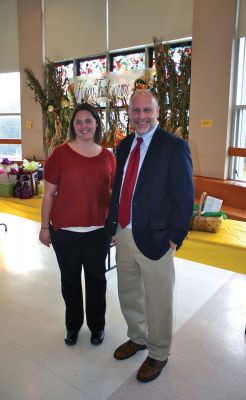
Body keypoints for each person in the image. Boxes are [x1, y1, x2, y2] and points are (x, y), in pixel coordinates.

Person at [106, 89, 194, 382]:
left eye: (147, 110)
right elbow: (119, 188)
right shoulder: (124, 144)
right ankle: (138, 337)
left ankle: (158, 352)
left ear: (158, 112)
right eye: (135, 110)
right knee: (128, 291)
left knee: (157, 299)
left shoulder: (174, 146)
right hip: (125, 232)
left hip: (156, 237)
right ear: (129, 113)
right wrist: (114, 226)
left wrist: (173, 238)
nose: (141, 116)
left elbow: (184, 198)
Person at [39, 103, 116, 346]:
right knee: (70, 282)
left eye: (89, 121)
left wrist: (114, 227)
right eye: (79, 121)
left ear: (96, 124)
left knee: (96, 281)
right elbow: (48, 195)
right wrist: (44, 227)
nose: (84, 126)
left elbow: (113, 195)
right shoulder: (60, 154)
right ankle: (72, 326)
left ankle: (97, 327)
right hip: (66, 233)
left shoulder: (107, 156)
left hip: (98, 232)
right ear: (73, 126)